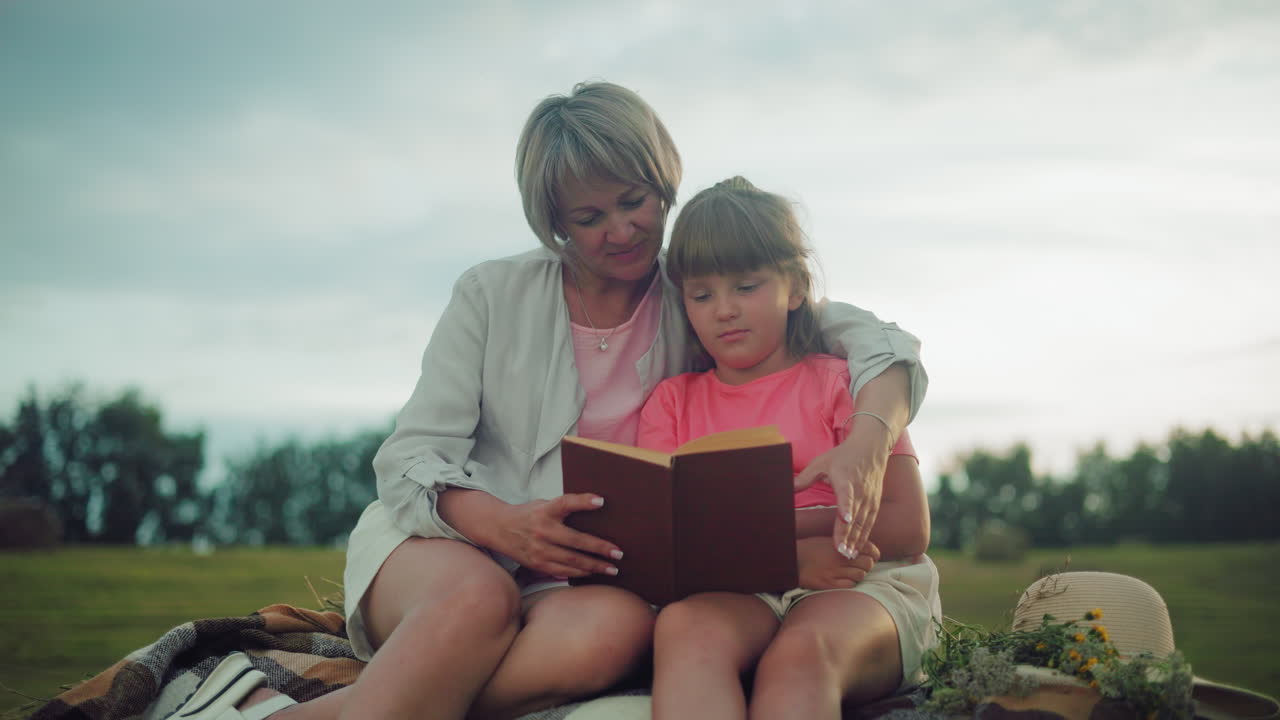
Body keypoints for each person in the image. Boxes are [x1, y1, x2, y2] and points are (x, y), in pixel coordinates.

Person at [168, 82, 927, 720]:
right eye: (588, 218)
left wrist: (868, 432)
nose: (621, 230)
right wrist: (499, 523)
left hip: (574, 580)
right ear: (553, 222)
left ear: (662, 185)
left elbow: (875, 344)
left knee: (614, 636)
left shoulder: (700, 292)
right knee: (478, 604)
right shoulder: (492, 295)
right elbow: (408, 457)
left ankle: (369, 705)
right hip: (442, 544)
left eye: (634, 202)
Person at [637, 176, 942, 720]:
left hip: (863, 579)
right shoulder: (671, 404)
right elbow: (665, 547)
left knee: (801, 655)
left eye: (746, 287)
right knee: (684, 630)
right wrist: (787, 561)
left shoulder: (845, 383)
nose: (724, 309)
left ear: (795, 288)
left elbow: (907, 526)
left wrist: (772, 543)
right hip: (740, 589)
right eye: (702, 294)